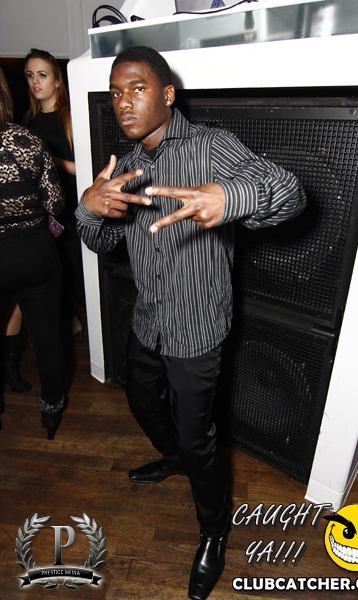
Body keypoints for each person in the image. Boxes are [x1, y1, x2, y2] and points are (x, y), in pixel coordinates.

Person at [75, 46, 306, 600]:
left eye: (137, 88)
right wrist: (88, 205)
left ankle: (214, 529)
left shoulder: (210, 146)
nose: (123, 102)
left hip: (197, 325)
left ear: (167, 94)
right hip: (149, 318)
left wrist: (231, 194)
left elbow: (291, 192)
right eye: (115, 92)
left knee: (199, 436)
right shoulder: (124, 166)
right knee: (141, 399)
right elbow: (100, 242)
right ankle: (174, 456)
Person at [0, 66, 66, 440]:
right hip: (36, 254)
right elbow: (55, 203)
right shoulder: (27, 139)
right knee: (47, 341)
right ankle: (51, 413)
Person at [23, 48, 85, 338]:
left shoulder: (71, 117)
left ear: (58, 80)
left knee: (80, 277)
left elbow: (88, 168)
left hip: (75, 209)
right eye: (30, 75)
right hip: (47, 214)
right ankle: (71, 320)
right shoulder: (29, 121)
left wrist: (49, 160)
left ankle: (103, 336)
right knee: (55, 274)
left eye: (42, 75)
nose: (35, 82)